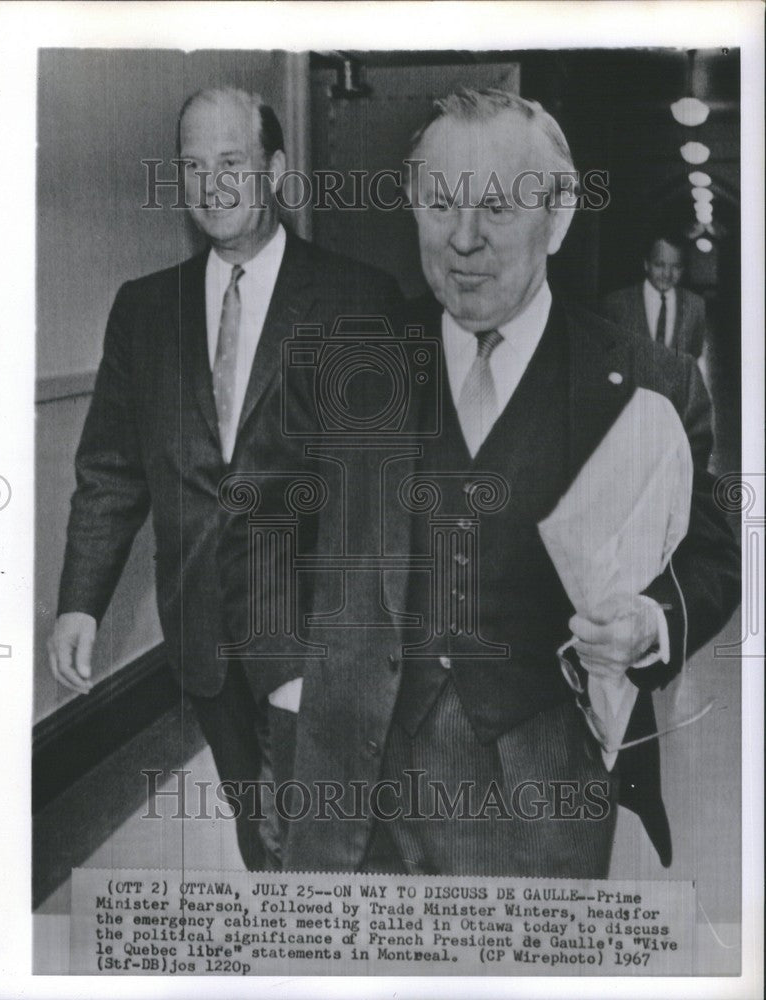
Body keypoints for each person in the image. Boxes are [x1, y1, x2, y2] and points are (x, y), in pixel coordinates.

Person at [266, 88, 739, 877]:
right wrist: (288, 684)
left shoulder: (645, 385)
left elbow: (714, 556)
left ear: (556, 218)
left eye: (496, 208)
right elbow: (261, 521)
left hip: (546, 785)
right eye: (439, 204)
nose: (463, 238)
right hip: (352, 780)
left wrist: (650, 623)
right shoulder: (346, 363)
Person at [47, 85, 401, 870]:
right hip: (203, 638)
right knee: (260, 833)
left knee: (334, 845)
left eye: (232, 163)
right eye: (193, 166)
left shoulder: (358, 301)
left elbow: (381, 497)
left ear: (273, 167)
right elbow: (110, 469)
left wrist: (340, 645)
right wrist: (80, 603)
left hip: (317, 638)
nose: (212, 185)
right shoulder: (144, 312)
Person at [600, 234, 708, 361]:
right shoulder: (616, 303)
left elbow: (693, 354)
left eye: (676, 266)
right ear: (646, 264)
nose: (667, 274)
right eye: (659, 265)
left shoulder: (695, 305)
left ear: (683, 269)